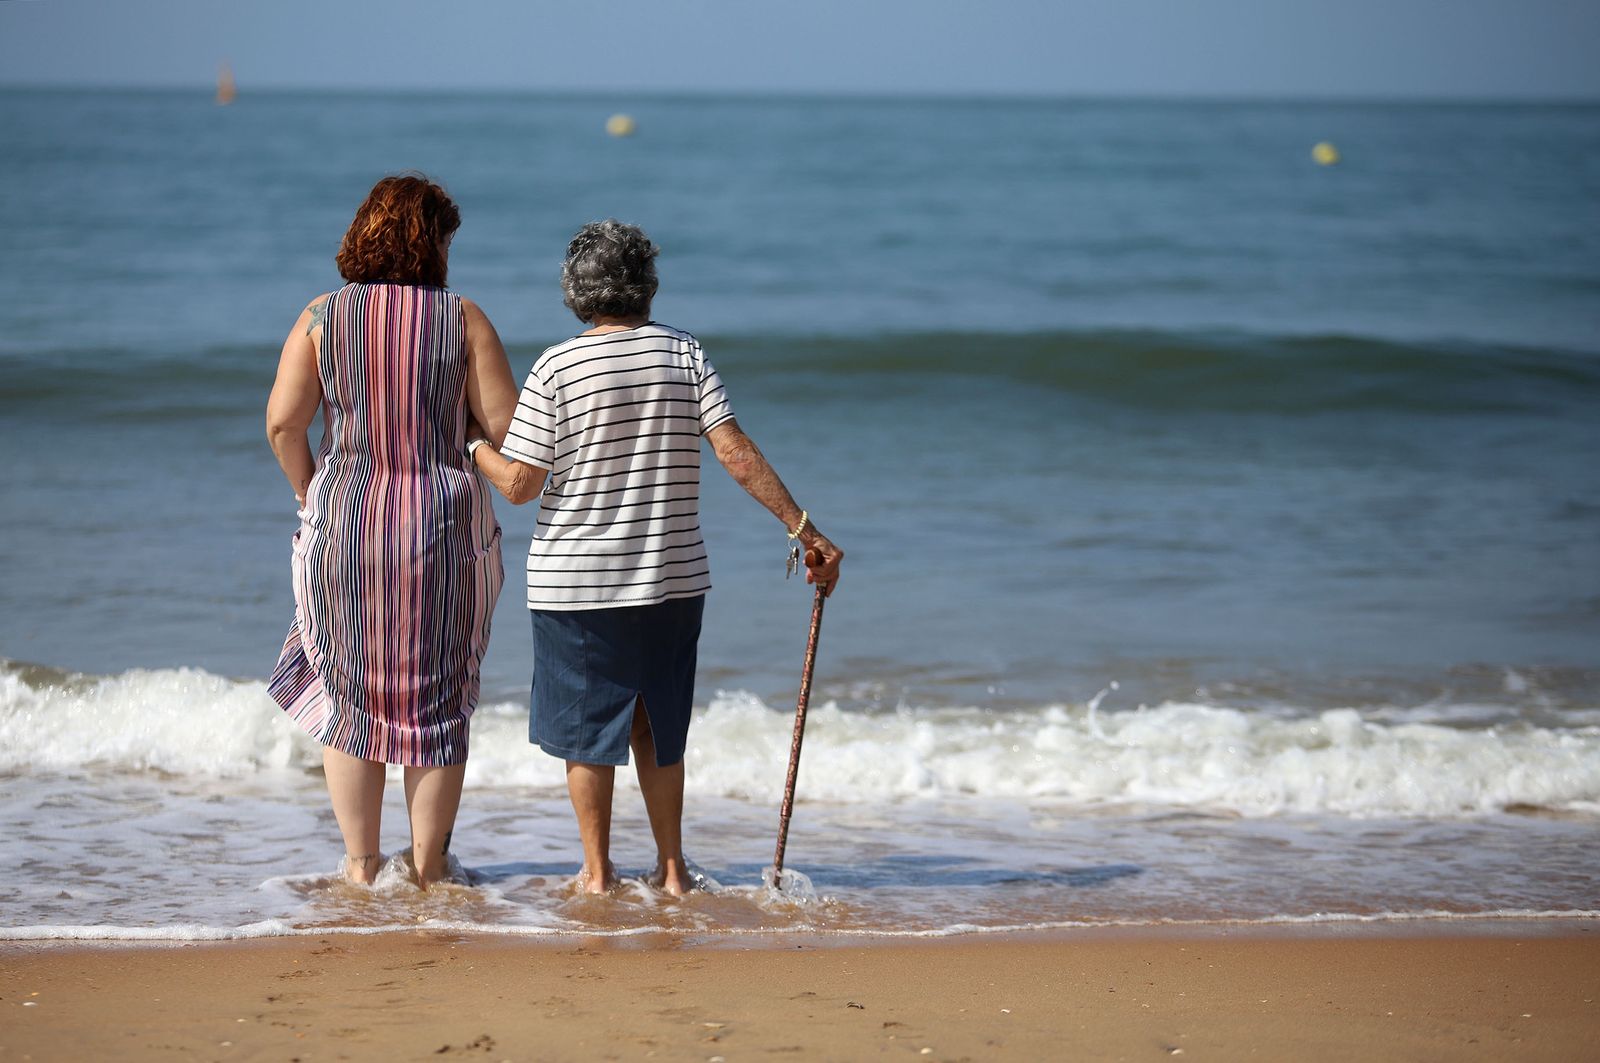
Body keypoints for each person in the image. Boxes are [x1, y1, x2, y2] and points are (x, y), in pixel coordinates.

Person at [468, 220, 843, 896]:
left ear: (576, 290)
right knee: (658, 727)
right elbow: (734, 452)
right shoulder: (683, 353)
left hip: (577, 585)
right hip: (672, 580)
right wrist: (803, 528)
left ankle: (597, 873)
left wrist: (473, 446)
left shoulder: (556, 366)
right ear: (646, 284)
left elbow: (520, 485)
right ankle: (672, 869)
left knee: (586, 734)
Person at [265, 175, 520, 888]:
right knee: (438, 701)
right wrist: (468, 435)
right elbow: (508, 430)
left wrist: (310, 491)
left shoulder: (322, 316)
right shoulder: (462, 318)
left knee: (351, 700)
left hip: (344, 524)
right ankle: (430, 867)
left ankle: (361, 866)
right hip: (442, 531)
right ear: (430, 242)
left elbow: (283, 424)